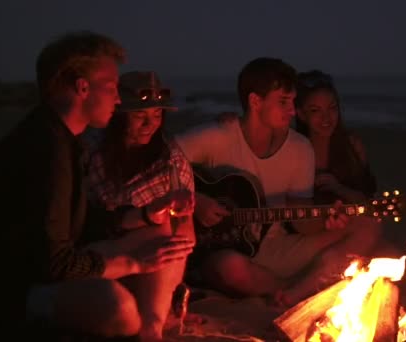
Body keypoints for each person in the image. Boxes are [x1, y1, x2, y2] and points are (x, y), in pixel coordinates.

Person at [0, 31, 194, 341]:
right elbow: (55, 263)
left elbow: (80, 223)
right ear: (82, 88)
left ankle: (151, 329)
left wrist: (146, 215)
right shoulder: (45, 150)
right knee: (120, 310)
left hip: (49, 267)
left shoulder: (65, 141)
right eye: (111, 87)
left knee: (162, 235)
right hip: (12, 291)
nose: (116, 98)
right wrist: (133, 263)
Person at [175, 57, 382, 307]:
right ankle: (295, 290)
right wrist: (197, 201)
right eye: (283, 102)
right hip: (215, 251)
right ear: (255, 101)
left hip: (274, 247)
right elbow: (158, 160)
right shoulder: (219, 136)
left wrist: (327, 220)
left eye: (293, 102)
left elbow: (301, 223)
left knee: (367, 226)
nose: (293, 111)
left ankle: (295, 291)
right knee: (230, 267)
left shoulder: (299, 147)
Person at [86, 71, 196, 340]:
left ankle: (155, 321)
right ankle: (153, 326)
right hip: (105, 252)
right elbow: (99, 222)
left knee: (172, 240)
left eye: (157, 116)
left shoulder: (169, 155)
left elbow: (186, 222)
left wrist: (181, 217)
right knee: (159, 234)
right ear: (120, 113)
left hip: (158, 261)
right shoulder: (95, 155)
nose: (150, 124)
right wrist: (149, 215)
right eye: (140, 116)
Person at [295, 70, 377, 204]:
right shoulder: (294, 150)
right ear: (301, 114)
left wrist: (339, 189)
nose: (326, 118)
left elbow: (368, 199)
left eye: (332, 108)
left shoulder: (352, 145)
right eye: (315, 110)